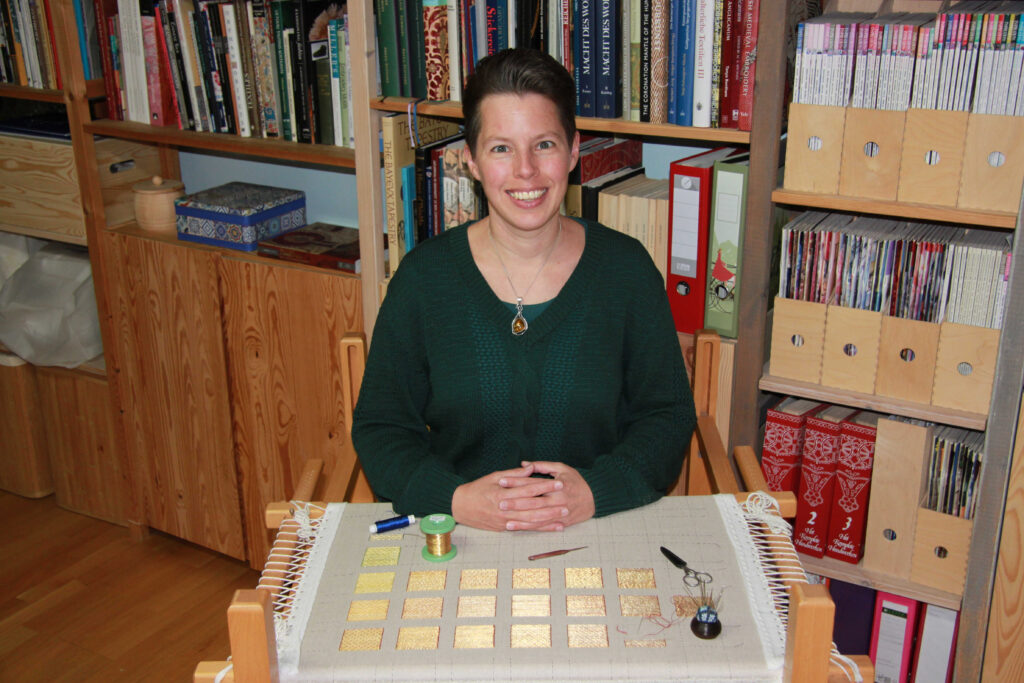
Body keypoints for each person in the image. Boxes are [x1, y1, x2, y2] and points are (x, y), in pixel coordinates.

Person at [352, 48, 695, 533]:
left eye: (545, 145)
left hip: (597, 527)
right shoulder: (423, 280)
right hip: (459, 532)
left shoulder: (627, 271)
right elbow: (381, 429)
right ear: (470, 160)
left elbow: (667, 417)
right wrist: (455, 500)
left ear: (574, 151)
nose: (526, 171)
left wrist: (596, 492)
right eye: (500, 148)